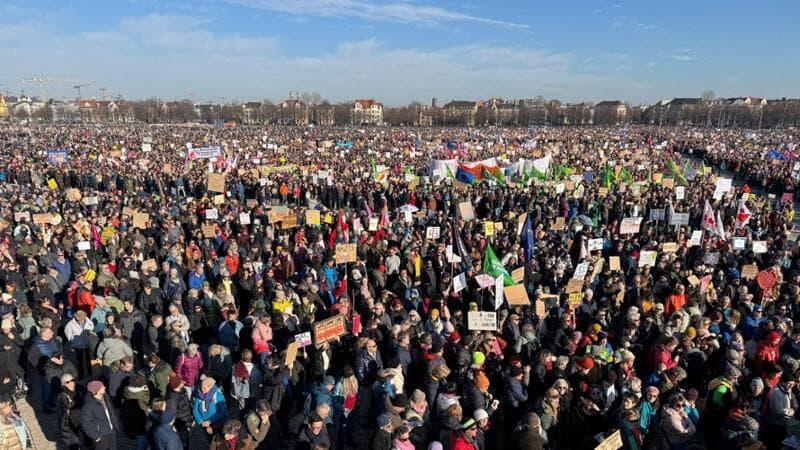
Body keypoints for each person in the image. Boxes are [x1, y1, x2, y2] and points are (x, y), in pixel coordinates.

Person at [81, 380, 121, 450]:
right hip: (101, 435)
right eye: (102, 386)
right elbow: (86, 424)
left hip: (111, 431)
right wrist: (96, 437)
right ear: (97, 390)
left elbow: (111, 413)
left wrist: (115, 425)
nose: (105, 387)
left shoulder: (106, 398)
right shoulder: (88, 406)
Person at [57, 374, 84, 450]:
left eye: (72, 380)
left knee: (88, 436)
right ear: (63, 384)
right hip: (70, 421)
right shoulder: (62, 394)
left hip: (82, 417)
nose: (71, 383)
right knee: (73, 442)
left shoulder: (79, 388)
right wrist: (78, 401)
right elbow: (68, 405)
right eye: (68, 382)